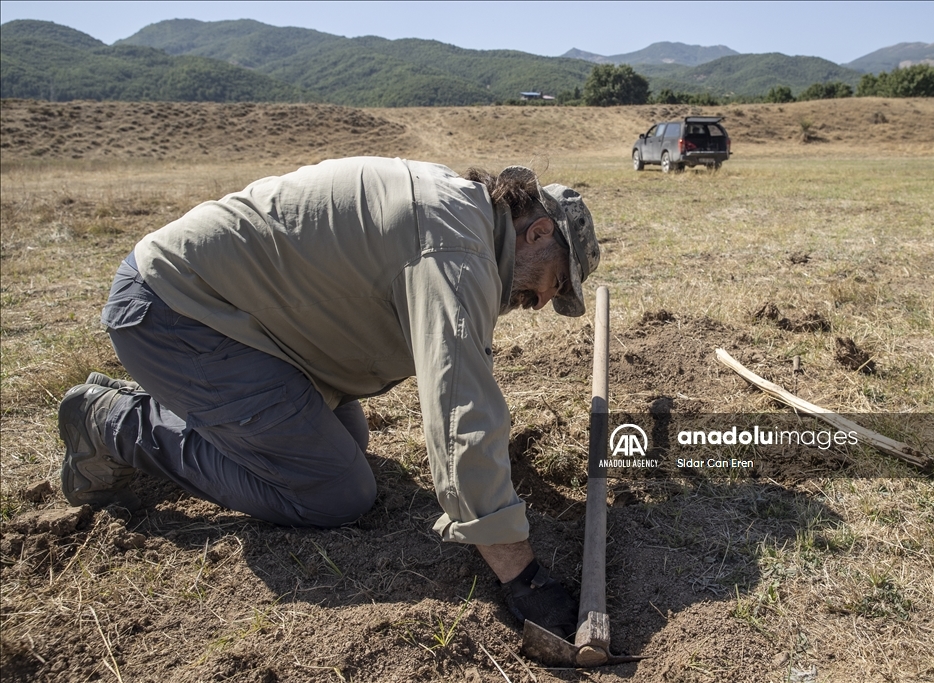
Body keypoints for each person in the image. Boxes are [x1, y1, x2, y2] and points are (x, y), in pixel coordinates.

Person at [57, 156, 600, 638]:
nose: (544, 301)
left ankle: (204, 409)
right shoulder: (457, 248)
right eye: (557, 281)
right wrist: (522, 576)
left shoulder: (461, 214)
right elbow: (460, 411)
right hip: (175, 313)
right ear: (537, 232)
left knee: (349, 438)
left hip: (244, 323)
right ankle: (113, 423)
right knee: (335, 493)